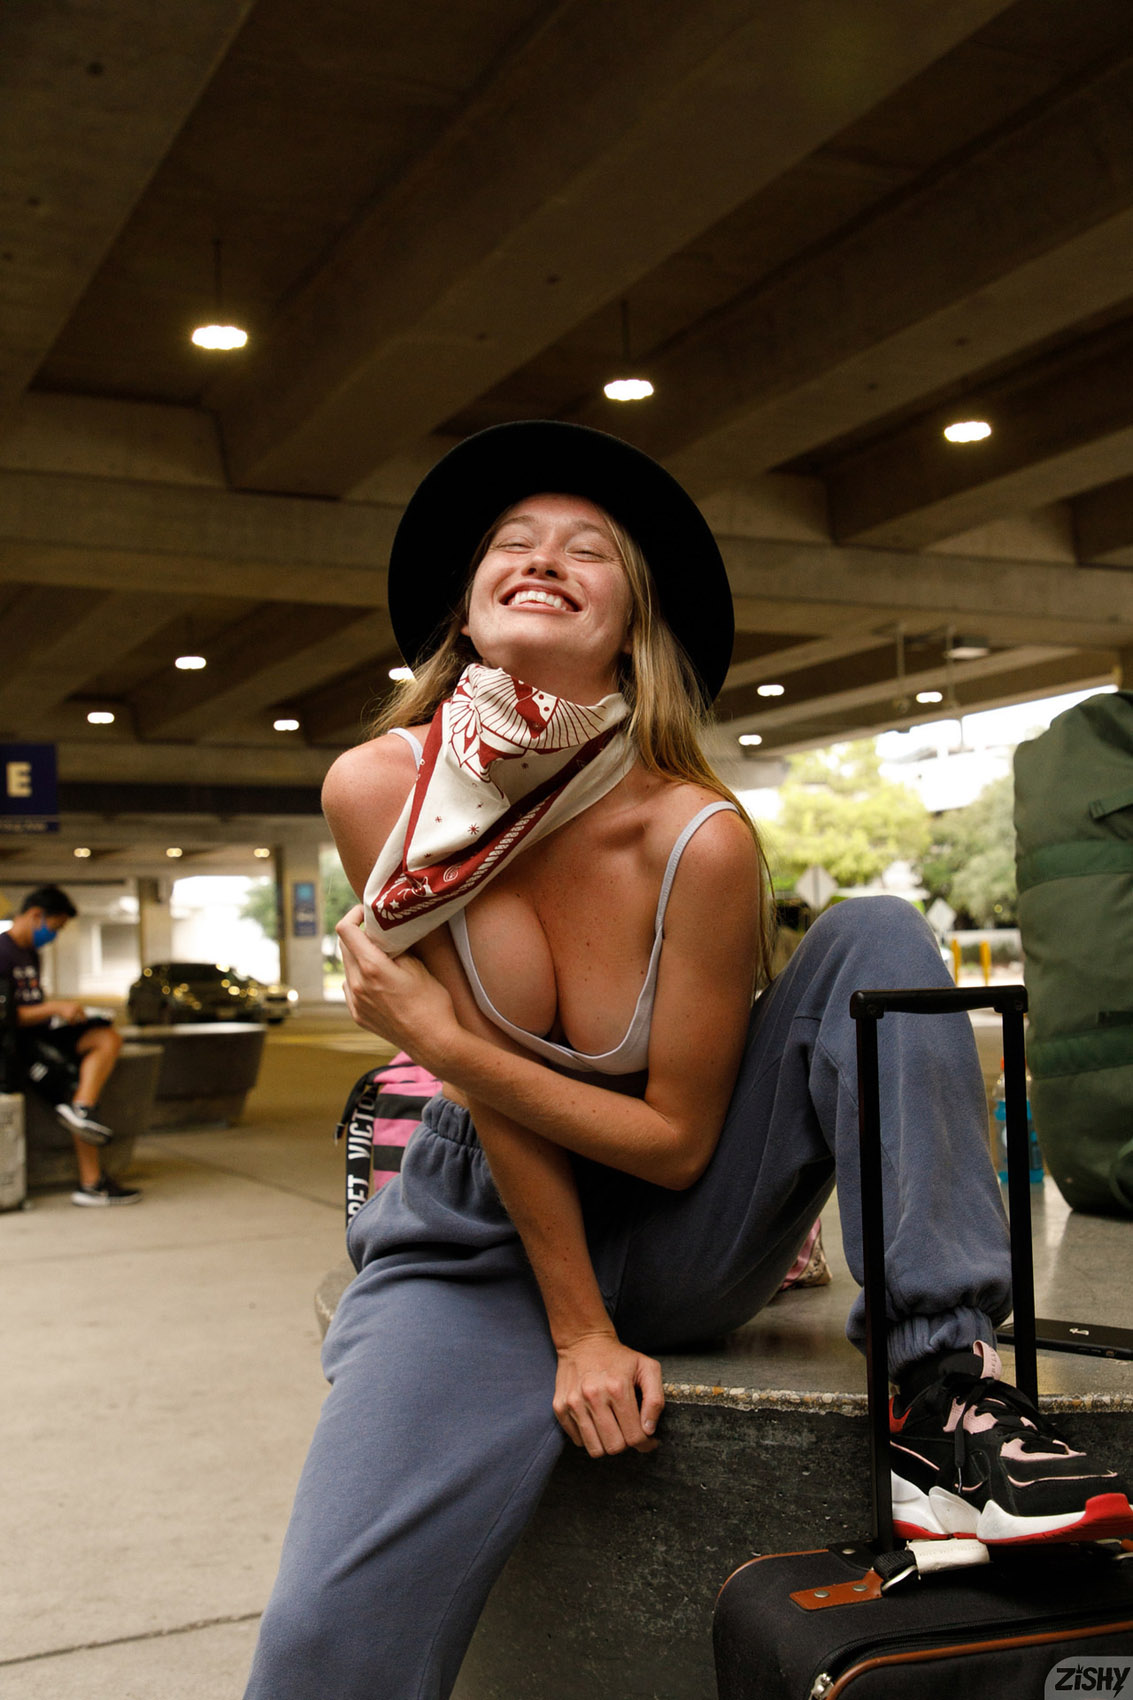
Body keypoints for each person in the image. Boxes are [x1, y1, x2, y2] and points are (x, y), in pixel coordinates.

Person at [244, 422, 1133, 1700]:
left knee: (877, 933)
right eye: (511, 543)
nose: (541, 558)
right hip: (483, 1244)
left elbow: (673, 1143)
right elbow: (498, 1107)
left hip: (681, 1222)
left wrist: (435, 1041)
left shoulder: (694, 835)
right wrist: (576, 1328)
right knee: (323, 1638)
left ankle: (940, 1392)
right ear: (464, 605)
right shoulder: (382, 786)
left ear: (632, 625)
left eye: (586, 550)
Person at [0, 885, 140, 1206]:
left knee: (106, 1037)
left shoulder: (30, 953)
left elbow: (32, 1003)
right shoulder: (1, 953)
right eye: (55, 927)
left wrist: (64, 1014)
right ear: (36, 915)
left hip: (41, 1033)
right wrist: (54, 1008)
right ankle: (91, 1181)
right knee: (69, 1085)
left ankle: (83, 1107)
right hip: (15, 1045)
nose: (54, 935)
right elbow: (4, 1016)